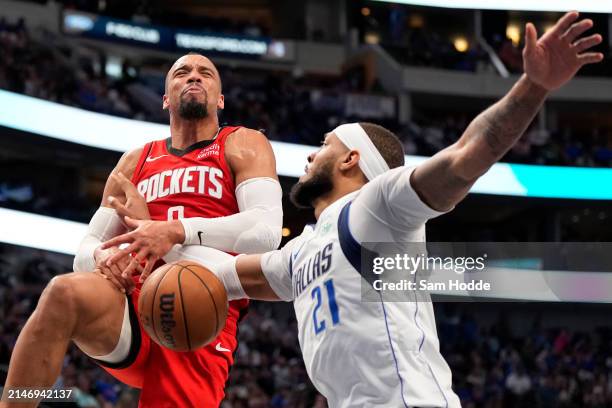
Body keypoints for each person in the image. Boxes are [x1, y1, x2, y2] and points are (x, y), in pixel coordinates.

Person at [100, 12, 602, 407]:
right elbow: (220, 273)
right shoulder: (303, 252)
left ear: (352, 157)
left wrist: (533, 86)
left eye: (322, 145)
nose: (310, 156)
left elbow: (469, 153)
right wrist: (155, 232)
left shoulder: (379, 207)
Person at [1, 53, 283, 407]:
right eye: (182, 72)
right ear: (166, 97)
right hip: (131, 301)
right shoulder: (135, 161)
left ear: (220, 99)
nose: (194, 77)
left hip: (199, 307)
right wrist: (106, 258)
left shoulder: (242, 143)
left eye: (205, 74)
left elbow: (266, 231)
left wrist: (174, 231)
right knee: (63, 293)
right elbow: (86, 249)